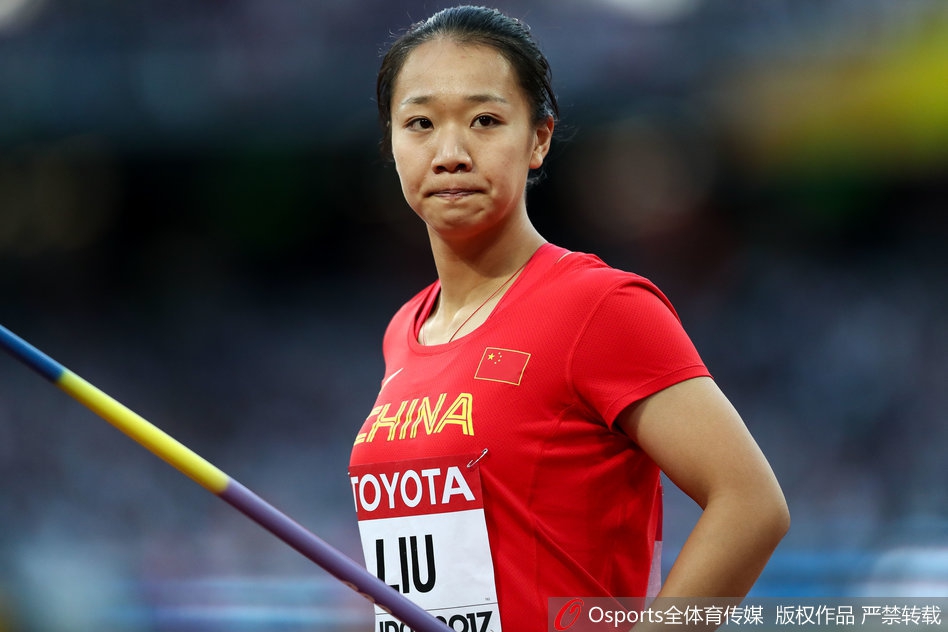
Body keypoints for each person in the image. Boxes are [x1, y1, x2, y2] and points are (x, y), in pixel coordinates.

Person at [348, 6, 789, 630]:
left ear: (539, 139)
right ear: (391, 143)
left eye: (484, 120)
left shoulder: (599, 306)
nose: (449, 153)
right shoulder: (404, 330)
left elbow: (751, 505)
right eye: (419, 123)